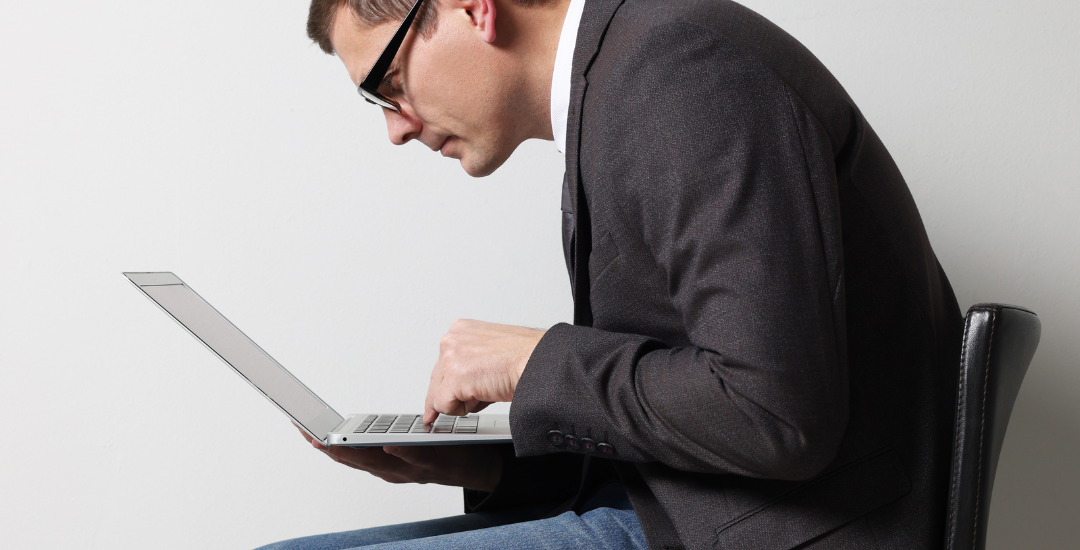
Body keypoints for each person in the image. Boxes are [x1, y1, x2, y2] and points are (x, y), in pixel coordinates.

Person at [258, 0, 964, 548]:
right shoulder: (631, 80)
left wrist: (536, 362)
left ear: (473, 7)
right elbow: (700, 430)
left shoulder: (683, 74)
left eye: (388, 84)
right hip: (709, 516)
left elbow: (775, 413)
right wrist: (489, 469)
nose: (396, 127)